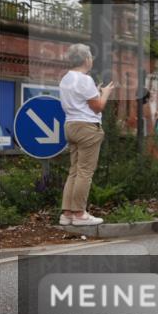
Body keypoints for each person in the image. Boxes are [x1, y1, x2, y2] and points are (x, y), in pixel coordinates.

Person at [58, 43, 114, 227]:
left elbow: (81, 101)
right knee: (85, 172)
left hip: (71, 125)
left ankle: (66, 214)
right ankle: (80, 214)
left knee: (74, 171)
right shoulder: (84, 79)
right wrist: (105, 93)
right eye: (90, 57)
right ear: (86, 59)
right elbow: (97, 106)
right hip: (87, 128)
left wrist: (95, 93)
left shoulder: (66, 78)